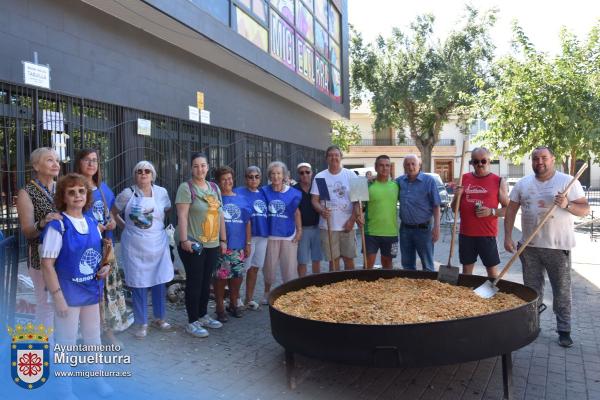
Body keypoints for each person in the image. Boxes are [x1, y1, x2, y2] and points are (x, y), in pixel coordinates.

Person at [504, 146, 589, 348]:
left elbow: (584, 209)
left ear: (553, 159)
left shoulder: (568, 182)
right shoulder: (523, 184)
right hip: (529, 246)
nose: (539, 162)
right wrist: (507, 236)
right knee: (531, 290)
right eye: (535, 158)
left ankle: (564, 330)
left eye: (544, 158)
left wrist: (567, 204)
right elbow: (511, 211)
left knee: (561, 290)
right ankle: (532, 325)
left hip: (557, 248)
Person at [40, 173, 112, 397]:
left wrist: (104, 267)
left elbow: (97, 255)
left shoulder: (91, 222)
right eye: (71, 192)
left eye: (81, 191)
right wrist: (58, 297)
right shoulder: (57, 225)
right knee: (66, 343)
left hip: (90, 290)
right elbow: (47, 264)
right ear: (63, 197)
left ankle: (98, 382)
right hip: (67, 294)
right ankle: (64, 390)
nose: (77, 195)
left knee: (93, 338)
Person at [75, 149, 132, 345]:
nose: (91, 164)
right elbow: (71, 215)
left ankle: (107, 331)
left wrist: (113, 223)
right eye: (87, 160)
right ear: (79, 162)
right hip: (85, 249)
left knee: (106, 293)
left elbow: (111, 213)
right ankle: (88, 333)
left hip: (105, 247)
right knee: (91, 291)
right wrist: (94, 227)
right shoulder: (74, 186)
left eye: (95, 160)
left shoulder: (102, 187)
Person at [112, 161, 173, 339]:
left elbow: (166, 210)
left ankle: (160, 318)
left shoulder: (161, 193)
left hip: (158, 245)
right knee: (139, 284)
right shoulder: (126, 194)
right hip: (134, 247)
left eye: (147, 171)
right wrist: (126, 228)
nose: (143, 174)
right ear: (135, 175)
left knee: (159, 282)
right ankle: (142, 323)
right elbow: (113, 213)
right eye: (139, 171)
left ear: (152, 175)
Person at [175, 153, 226, 337]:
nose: (200, 169)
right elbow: (181, 216)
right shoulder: (186, 187)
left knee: (206, 282)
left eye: (203, 165)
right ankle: (192, 321)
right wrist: (184, 240)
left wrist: (223, 240)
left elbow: (220, 214)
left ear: (208, 166)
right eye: (196, 166)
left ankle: (203, 315)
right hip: (193, 243)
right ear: (191, 168)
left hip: (212, 243)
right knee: (195, 282)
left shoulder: (214, 187)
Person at [16, 147, 62, 329]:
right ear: (36, 165)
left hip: (65, 256)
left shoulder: (63, 188)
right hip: (40, 257)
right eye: (50, 160)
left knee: (63, 302)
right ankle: (44, 352)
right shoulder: (26, 192)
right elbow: (27, 231)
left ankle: (62, 345)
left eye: (57, 160)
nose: (56, 164)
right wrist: (43, 222)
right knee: (46, 306)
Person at [450, 147, 509, 278]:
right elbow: (454, 209)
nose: (480, 164)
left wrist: (491, 212)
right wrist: (457, 196)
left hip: (487, 235)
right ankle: (467, 296)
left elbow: (508, 209)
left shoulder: (498, 181)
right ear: (471, 163)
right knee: (466, 273)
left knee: (492, 272)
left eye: (483, 161)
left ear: (489, 161)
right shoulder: (463, 179)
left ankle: (493, 297)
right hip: (466, 234)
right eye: (476, 162)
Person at [311, 145, 360, 271]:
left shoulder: (351, 175)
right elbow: (315, 200)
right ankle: (335, 289)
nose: (334, 157)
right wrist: (321, 210)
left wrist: (352, 220)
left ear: (341, 157)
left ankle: (351, 286)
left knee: (349, 259)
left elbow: (358, 203)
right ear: (326, 158)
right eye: (330, 155)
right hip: (329, 226)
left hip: (347, 225)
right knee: (333, 261)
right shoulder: (320, 177)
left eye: (336, 155)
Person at [214, 166, 251, 321]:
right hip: (220, 245)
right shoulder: (215, 199)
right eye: (224, 179)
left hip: (238, 245)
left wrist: (248, 243)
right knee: (221, 277)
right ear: (218, 182)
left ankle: (233, 303)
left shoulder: (241, 199)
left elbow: (248, 222)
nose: (228, 182)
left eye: (230, 178)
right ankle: (219, 306)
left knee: (236, 276)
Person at [263, 161, 302, 300]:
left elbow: (296, 213)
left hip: (288, 235)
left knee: (289, 269)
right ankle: (267, 293)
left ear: (284, 175)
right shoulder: (263, 191)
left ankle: (290, 295)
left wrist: (299, 231)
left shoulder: (294, 193)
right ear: (269, 175)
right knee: (269, 268)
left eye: (279, 173)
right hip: (270, 235)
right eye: (273, 173)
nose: (276, 176)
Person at [395, 154, 441, 271]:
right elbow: (385, 186)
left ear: (419, 165)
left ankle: (428, 289)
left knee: (428, 266)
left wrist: (437, 227)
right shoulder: (399, 181)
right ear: (404, 167)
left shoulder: (428, 181)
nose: (410, 167)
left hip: (424, 230)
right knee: (407, 265)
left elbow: (436, 205)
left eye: (413, 164)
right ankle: (411, 288)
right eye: (407, 164)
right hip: (405, 229)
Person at [235, 166, 268, 310]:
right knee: (243, 268)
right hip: (248, 237)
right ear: (245, 178)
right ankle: (236, 298)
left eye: (256, 176)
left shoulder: (264, 193)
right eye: (250, 176)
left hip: (263, 236)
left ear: (260, 179)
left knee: (254, 268)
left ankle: (249, 299)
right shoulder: (238, 192)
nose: (253, 179)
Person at [364, 155, 399, 269]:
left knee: (388, 267)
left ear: (390, 168)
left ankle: (386, 287)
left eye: (387, 165)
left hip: (391, 233)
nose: (384, 168)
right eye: (381, 165)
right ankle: (365, 287)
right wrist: (357, 216)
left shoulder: (397, 186)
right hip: (371, 233)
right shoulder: (367, 185)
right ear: (375, 167)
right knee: (367, 266)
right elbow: (357, 204)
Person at [294, 162, 322, 276]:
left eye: (307, 172)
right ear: (298, 175)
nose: (305, 175)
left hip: (318, 228)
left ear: (312, 173)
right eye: (302, 173)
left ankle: (316, 284)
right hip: (302, 230)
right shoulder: (294, 189)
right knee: (302, 261)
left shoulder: (318, 186)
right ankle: (302, 285)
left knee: (317, 259)